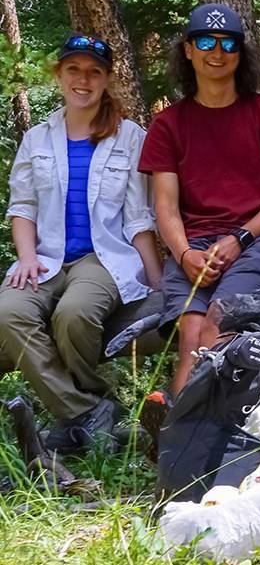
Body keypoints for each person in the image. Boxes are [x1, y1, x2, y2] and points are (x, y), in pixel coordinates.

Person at [0, 36, 161, 451]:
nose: (83, 80)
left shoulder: (129, 136)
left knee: (73, 313)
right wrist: (27, 257)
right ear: (60, 75)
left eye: (94, 71)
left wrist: (157, 277)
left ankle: (77, 417)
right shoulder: (38, 138)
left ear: (107, 78)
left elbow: (139, 216)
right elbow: (22, 207)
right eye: (74, 69)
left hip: (104, 259)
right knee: (10, 311)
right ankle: (87, 411)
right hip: (46, 258)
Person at [139, 4, 260, 394]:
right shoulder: (169, 124)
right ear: (188, 49)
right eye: (205, 42)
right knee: (191, 335)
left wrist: (240, 239)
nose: (216, 52)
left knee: (219, 324)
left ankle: (206, 438)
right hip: (192, 247)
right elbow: (164, 206)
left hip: (258, 242)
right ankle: (177, 444)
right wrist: (184, 256)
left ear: (240, 51)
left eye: (227, 43)